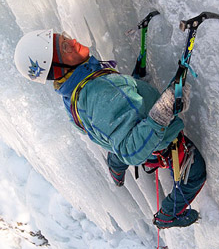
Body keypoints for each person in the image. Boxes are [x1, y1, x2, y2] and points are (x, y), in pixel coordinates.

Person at [14, 29, 206, 229]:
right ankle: (167, 216)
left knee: (117, 151)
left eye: (64, 37)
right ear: (57, 68)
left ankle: (116, 169)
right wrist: (163, 111)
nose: (72, 41)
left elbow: (116, 113)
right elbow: (131, 151)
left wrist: (132, 87)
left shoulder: (74, 91)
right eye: (64, 46)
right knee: (195, 175)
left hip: (124, 138)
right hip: (158, 144)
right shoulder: (98, 93)